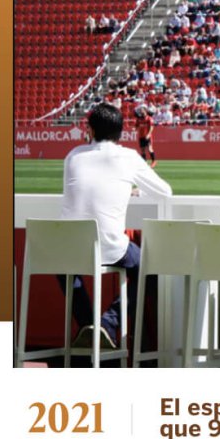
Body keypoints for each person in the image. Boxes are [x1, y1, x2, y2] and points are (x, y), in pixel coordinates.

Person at [60, 103, 173, 350]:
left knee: (65, 270)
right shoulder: (128, 158)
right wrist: (134, 190)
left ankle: (89, 325)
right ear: (121, 132)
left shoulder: (72, 156)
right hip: (111, 248)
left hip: (69, 250)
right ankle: (107, 323)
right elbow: (165, 193)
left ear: (90, 130)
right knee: (151, 272)